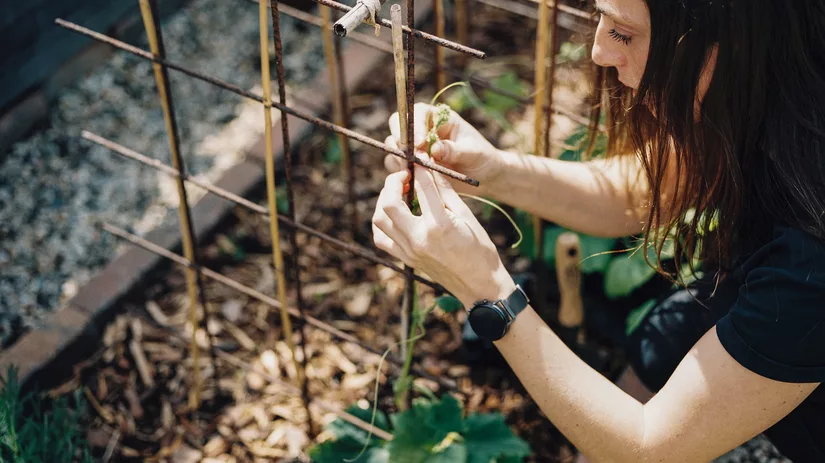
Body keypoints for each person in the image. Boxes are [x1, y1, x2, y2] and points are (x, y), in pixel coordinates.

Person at [372, 0, 825, 461]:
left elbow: (649, 446)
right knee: (661, 345)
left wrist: (486, 292)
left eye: (624, 34)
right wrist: (494, 169)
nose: (598, 52)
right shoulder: (782, 84)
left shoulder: (808, 263)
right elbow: (643, 192)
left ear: (727, 46)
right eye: (601, 18)